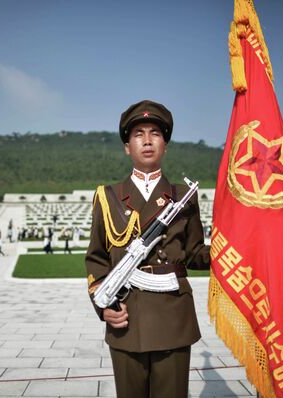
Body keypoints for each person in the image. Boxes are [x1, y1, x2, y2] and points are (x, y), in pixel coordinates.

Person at [85, 100, 210, 398]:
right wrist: (104, 307)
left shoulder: (182, 196)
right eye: (138, 134)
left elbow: (195, 253)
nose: (147, 140)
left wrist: (237, 246)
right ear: (127, 146)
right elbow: (96, 258)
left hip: (173, 317)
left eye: (155, 133)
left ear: (165, 144)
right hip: (126, 319)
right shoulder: (108, 196)